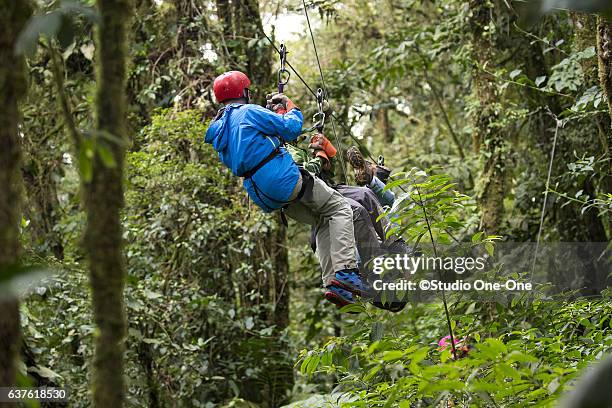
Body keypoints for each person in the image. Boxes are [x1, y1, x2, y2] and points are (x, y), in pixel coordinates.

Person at [205, 71, 368, 308]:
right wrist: (291, 106)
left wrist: (272, 117)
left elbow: (256, 142)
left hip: (264, 194)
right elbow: (291, 128)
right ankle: (346, 272)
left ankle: (333, 283)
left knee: (322, 219)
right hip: (283, 180)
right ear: (244, 92)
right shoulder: (249, 112)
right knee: (341, 208)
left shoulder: (221, 130)